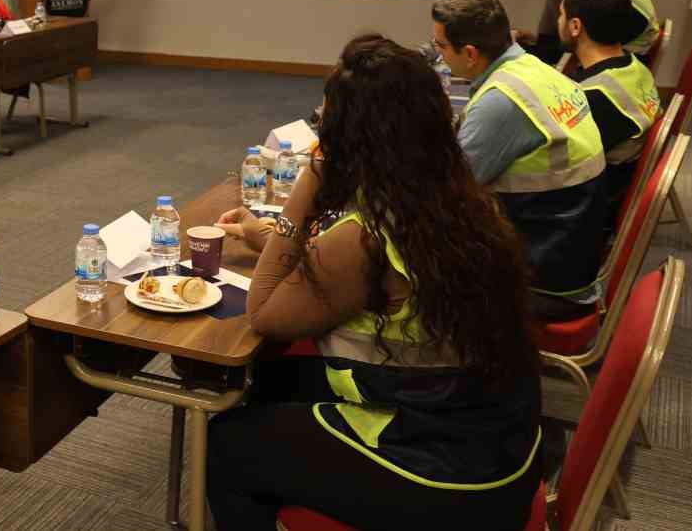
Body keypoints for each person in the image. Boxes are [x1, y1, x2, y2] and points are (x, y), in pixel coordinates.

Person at [206, 36, 542, 530]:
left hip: (447, 475)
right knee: (269, 381)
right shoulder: (460, 198)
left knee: (229, 442)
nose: (320, 133)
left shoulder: (364, 236)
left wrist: (306, 190)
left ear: (351, 139)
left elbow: (265, 312)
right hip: (502, 439)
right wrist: (273, 238)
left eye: (324, 123)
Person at [432, 0, 607, 321]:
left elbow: (442, 197)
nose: (440, 56)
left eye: (441, 46)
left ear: (469, 53)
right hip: (572, 250)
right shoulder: (533, 68)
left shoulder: (502, 102)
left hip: (541, 280)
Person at [559, 0, 662, 231]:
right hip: (607, 195)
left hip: (580, 220)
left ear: (575, 26)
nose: (557, 20)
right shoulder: (636, 68)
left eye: (561, 14)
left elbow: (558, 167)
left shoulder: (593, 99)